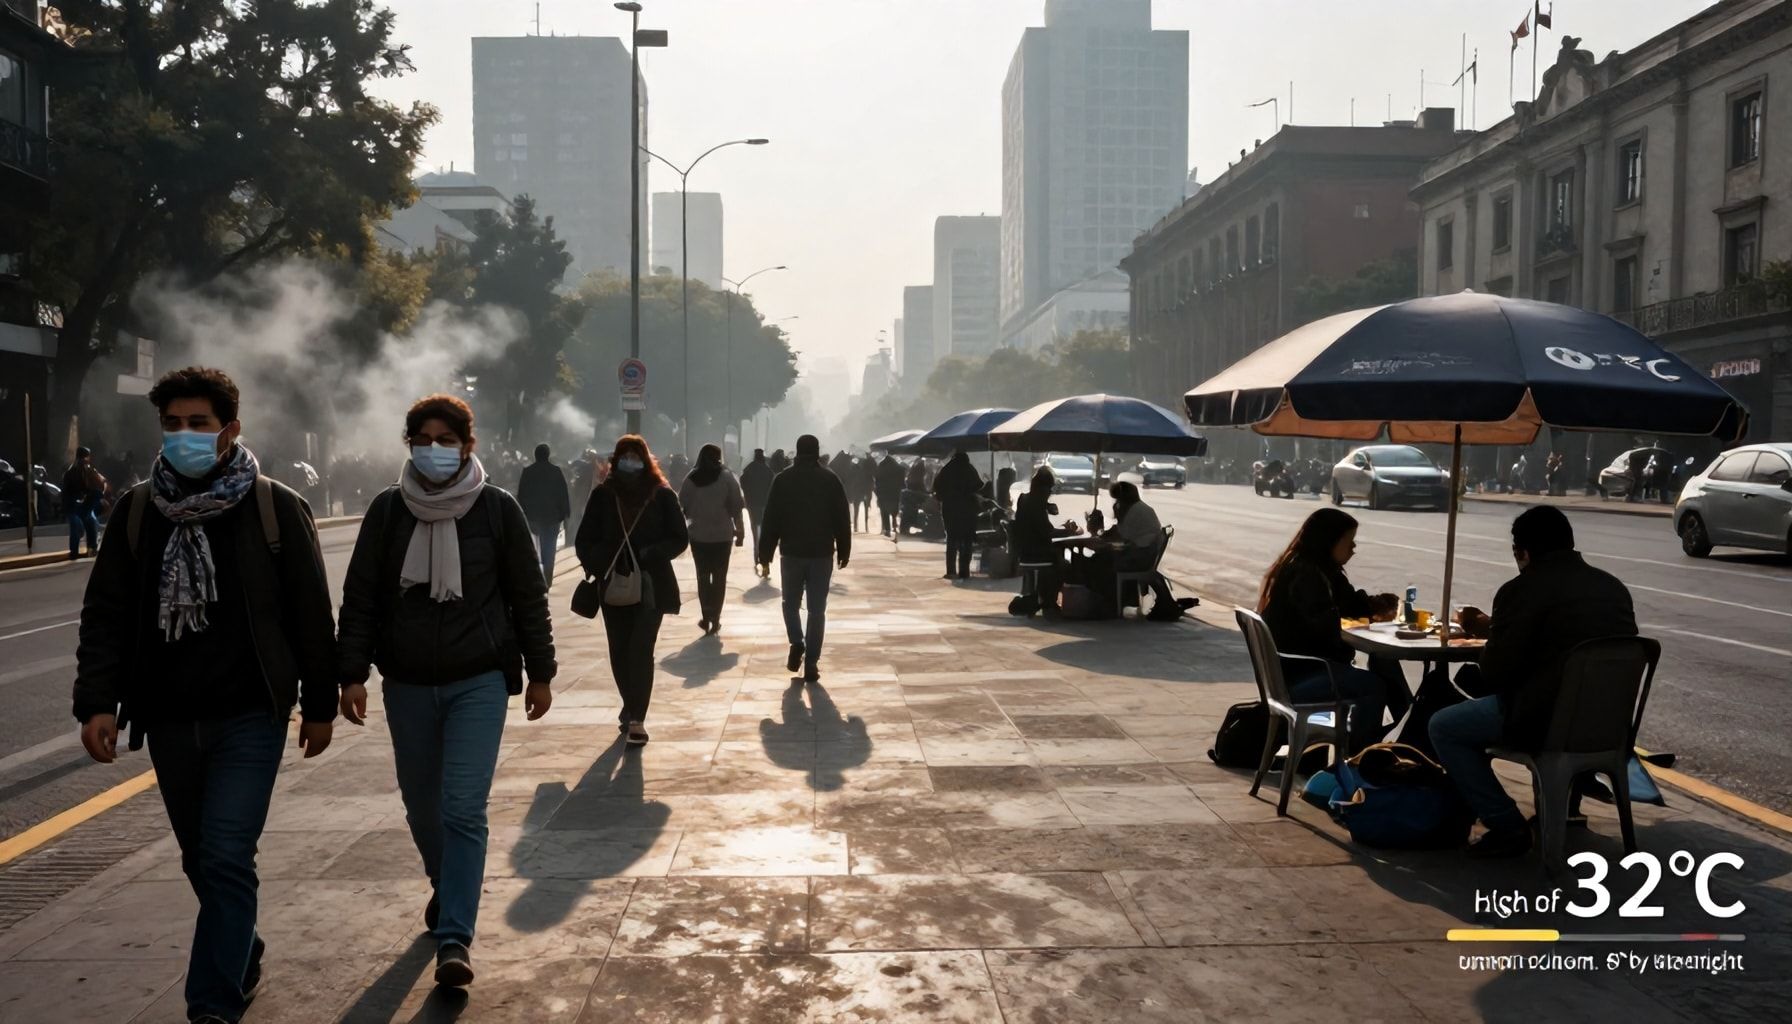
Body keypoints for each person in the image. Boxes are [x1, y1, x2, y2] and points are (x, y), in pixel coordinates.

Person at [72, 366, 337, 1024]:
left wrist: (320, 705)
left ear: (229, 430)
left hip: (251, 715)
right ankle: (240, 946)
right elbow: (105, 614)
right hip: (168, 718)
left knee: (224, 853)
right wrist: (97, 702)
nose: (183, 434)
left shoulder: (275, 508)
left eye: (198, 423)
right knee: (201, 859)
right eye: (172, 424)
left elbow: (311, 615)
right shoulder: (139, 510)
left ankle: (211, 1004)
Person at [334, 393, 554, 989]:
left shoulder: (497, 509)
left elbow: (527, 596)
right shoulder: (387, 511)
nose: (434, 450)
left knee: (462, 807)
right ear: (409, 446)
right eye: (423, 441)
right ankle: (446, 881)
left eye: (446, 441)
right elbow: (361, 597)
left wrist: (541, 671)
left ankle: (455, 937)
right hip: (406, 682)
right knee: (421, 806)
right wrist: (351, 673)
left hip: (478, 679)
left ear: (467, 445)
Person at [1429, 506, 1637, 859]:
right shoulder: (1613, 588)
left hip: (1544, 723)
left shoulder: (1521, 590)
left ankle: (1506, 824)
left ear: (1521, 552)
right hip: (1609, 724)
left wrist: (1490, 638)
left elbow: (1495, 674)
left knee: (1444, 726)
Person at [1258, 507, 1406, 752]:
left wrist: (1377, 605)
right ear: (1329, 540)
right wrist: (1365, 619)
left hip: (1300, 667)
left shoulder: (1322, 569)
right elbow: (1326, 626)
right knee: (1373, 686)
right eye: (1349, 541)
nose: (1353, 548)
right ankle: (1361, 754)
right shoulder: (1305, 574)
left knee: (1384, 662)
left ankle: (1406, 731)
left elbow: (1349, 603)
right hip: (1301, 672)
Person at [576, 435, 688, 745]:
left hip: (651, 583)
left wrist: (651, 553)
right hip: (613, 582)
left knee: (641, 649)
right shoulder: (603, 495)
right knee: (619, 649)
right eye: (624, 457)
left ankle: (637, 717)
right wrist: (601, 560)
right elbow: (584, 540)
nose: (630, 462)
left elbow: (679, 537)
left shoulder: (661, 495)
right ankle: (630, 704)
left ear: (646, 460)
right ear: (616, 461)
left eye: (635, 457)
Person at [757, 434, 850, 683]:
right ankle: (811, 663)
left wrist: (765, 553)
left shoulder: (783, 479)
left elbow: (771, 518)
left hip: (792, 551)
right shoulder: (830, 479)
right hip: (821, 552)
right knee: (817, 610)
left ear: (797, 452)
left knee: (790, 603)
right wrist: (844, 548)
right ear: (817, 451)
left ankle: (797, 641)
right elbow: (841, 517)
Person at [679, 443, 746, 635]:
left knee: (702, 576)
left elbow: (682, 504)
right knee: (719, 577)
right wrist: (740, 530)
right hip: (722, 536)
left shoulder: (691, 478)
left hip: (698, 536)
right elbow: (737, 505)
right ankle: (716, 616)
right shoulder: (727, 477)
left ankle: (706, 614)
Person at [1095, 481, 1179, 620]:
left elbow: (1122, 535)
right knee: (1104, 558)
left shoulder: (1134, 511)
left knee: (1101, 562)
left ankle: (1109, 603)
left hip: (1141, 558)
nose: (1116, 502)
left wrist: (1116, 517)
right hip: (1145, 554)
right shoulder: (1141, 507)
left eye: (1117, 499)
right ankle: (1120, 601)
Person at [1011, 466, 1081, 615]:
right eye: (1049, 489)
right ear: (1043, 488)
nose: (1050, 493)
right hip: (1037, 552)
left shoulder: (1024, 500)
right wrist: (1068, 531)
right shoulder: (1037, 505)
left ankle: (1042, 598)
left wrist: (1047, 506)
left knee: (1057, 558)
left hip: (1024, 552)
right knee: (1063, 566)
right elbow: (1047, 532)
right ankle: (1049, 602)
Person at [516, 443, 572, 587]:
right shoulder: (556, 471)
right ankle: (547, 578)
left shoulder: (528, 472)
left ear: (535, 455)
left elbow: (521, 495)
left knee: (534, 548)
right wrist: (565, 513)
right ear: (548, 455)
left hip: (533, 517)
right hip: (553, 517)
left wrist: (523, 513)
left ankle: (536, 576)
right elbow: (563, 493)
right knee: (550, 548)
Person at [931, 448, 983, 580]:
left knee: (952, 539)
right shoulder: (970, 469)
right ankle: (964, 571)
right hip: (968, 509)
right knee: (967, 540)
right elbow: (979, 485)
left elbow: (936, 487)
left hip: (950, 509)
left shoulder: (946, 469)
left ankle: (951, 571)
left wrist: (945, 496)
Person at [62, 445, 106, 558]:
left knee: (90, 522)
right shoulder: (72, 472)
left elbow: (93, 487)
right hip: (74, 505)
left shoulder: (86, 471)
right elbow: (68, 492)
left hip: (82, 505)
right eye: (85, 457)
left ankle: (90, 548)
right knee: (78, 524)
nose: (87, 460)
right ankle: (76, 551)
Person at [740, 448, 774, 552]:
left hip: (752, 502)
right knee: (763, 524)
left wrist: (747, 494)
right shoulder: (768, 470)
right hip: (764, 502)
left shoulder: (749, 468)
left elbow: (742, 481)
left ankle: (756, 545)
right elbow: (772, 485)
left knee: (754, 524)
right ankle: (762, 546)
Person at [874, 453, 905, 536]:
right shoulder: (899, 468)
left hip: (883, 493)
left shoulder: (880, 467)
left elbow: (876, 480)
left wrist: (877, 492)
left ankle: (887, 529)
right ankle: (894, 526)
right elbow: (902, 483)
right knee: (894, 509)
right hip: (895, 492)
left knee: (884, 511)